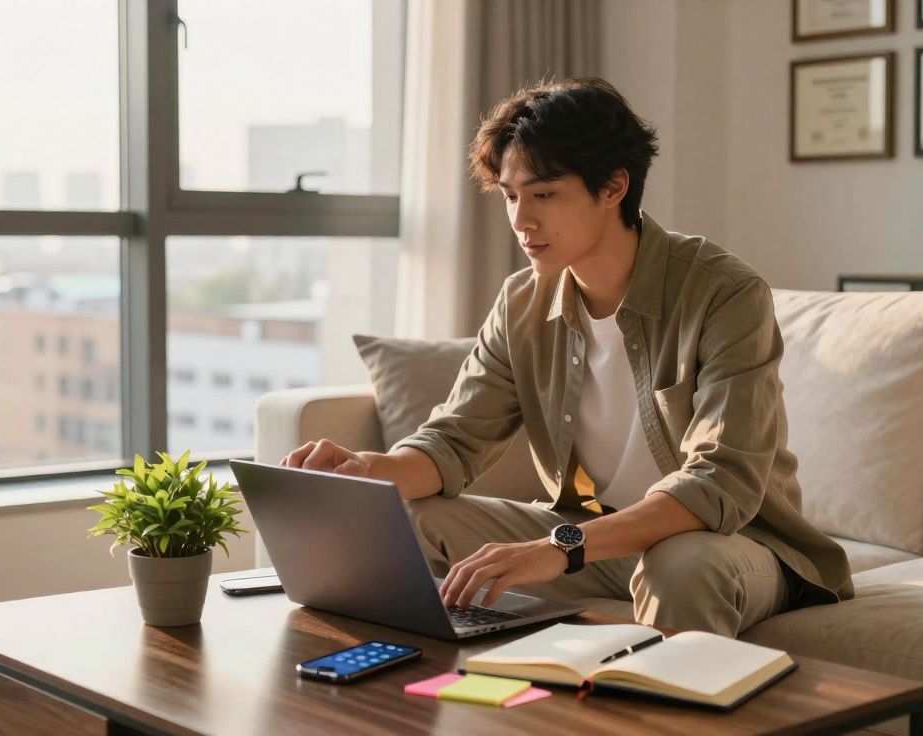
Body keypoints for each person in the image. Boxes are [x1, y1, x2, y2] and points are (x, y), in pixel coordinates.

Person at [283, 78, 852, 637]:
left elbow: (720, 481)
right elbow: (454, 441)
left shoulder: (723, 292)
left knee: (680, 565)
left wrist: (560, 548)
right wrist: (367, 472)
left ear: (612, 188)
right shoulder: (523, 301)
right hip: (596, 538)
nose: (521, 221)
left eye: (544, 194)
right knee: (408, 519)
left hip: (732, 544)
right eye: (510, 196)